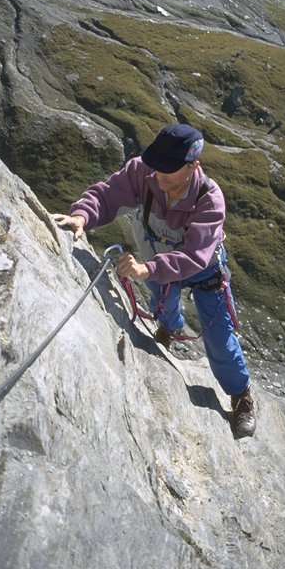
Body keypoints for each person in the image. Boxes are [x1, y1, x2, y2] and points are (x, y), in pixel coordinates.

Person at [52, 123, 256, 438]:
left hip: (202, 271)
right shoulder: (143, 171)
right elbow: (108, 195)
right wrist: (82, 215)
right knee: (163, 306)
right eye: (157, 164)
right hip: (156, 261)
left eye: (169, 168)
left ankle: (241, 396)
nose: (159, 173)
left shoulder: (209, 199)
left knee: (219, 340)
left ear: (193, 166)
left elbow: (194, 256)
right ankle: (168, 328)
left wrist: (147, 270)